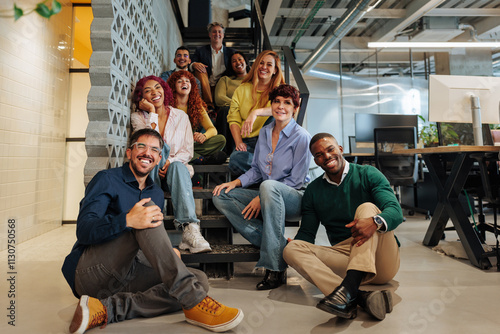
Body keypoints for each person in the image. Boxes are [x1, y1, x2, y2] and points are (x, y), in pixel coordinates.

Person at [62, 128, 244, 334]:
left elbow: (145, 241)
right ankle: (195, 303)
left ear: (158, 159)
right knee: (146, 213)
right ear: (129, 153)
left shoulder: (155, 192)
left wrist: (168, 252)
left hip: (127, 276)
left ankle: (106, 309)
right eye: (141, 146)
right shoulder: (106, 179)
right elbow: (84, 230)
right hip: (92, 273)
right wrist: (127, 219)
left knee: (199, 280)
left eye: (154, 150)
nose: (147, 152)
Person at [283, 132, 403, 321]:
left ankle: (349, 289)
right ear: (316, 160)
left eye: (330, 149)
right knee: (290, 249)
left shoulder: (367, 174)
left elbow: (395, 211)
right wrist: (299, 246)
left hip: (382, 258)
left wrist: (374, 222)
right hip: (345, 256)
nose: (327, 156)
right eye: (319, 155)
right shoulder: (313, 191)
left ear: (340, 149)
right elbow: (307, 233)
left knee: (367, 208)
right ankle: (359, 297)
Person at [213, 85, 311, 290]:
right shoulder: (265, 132)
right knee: (221, 195)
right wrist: (235, 183)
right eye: (277, 101)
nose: (281, 106)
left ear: (295, 107)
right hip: (266, 193)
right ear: (271, 104)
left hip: (295, 198)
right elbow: (257, 169)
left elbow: (297, 180)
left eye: (287, 102)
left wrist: (262, 194)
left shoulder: (302, 136)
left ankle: (274, 267)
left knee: (267, 186)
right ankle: (279, 247)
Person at [130, 75, 211, 253]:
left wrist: (169, 162)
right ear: (142, 97)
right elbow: (149, 145)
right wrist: (152, 112)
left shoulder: (181, 116)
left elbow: (187, 151)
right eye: (147, 90)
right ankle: (153, 230)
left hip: (176, 172)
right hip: (151, 172)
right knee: (152, 153)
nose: (154, 92)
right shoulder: (138, 117)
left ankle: (190, 230)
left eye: (157, 87)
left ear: (165, 90)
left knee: (177, 166)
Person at [227, 50, 285, 176]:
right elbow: (233, 119)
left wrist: (256, 112)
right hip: (249, 143)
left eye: (269, 65)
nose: (264, 67)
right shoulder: (242, 89)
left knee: (276, 116)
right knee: (235, 160)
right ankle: (269, 171)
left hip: (272, 144)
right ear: (256, 66)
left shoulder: (280, 90)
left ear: (275, 70)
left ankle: (261, 172)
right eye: (261, 63)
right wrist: (238, 142)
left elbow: (284, 109)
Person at [167, 70, 227, 165]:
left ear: (192, 86)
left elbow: (212, 129)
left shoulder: (196, 106)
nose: (184, 83)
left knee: (220, 140)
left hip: (190, 145)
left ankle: (194, 157)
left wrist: (203, 136)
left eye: (187, 81)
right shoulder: (168, 105)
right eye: (179, 81)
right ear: (173, 86)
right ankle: (200, 159)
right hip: (173, 145)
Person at [190, 22, 235, 109]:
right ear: (210, 35)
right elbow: (190, 63)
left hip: (221, 85)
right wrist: (194, 64)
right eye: (214, 32)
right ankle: (209, 105)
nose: (217, 34)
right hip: (205, 84)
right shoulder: (201, 50)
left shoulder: (231, 52)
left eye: (219, 32)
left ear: (223, 35)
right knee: (200, 70)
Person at [214, 51, 249, 154]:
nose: (237, 62)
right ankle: (225, 152)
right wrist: (238, 106)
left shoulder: (254, 81)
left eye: (240, 59)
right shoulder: (225, 80)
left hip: (249, 112)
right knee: (225, 111)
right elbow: (219, 98)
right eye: (234, 61)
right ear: (230, 66)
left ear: (246, 62)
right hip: (230, 111)